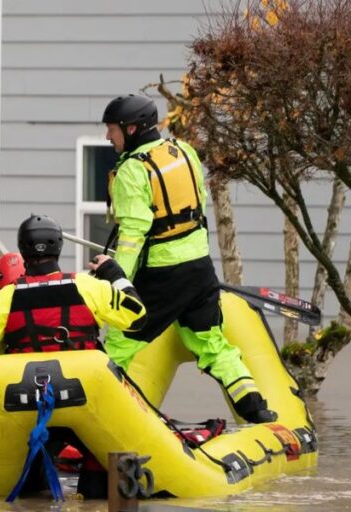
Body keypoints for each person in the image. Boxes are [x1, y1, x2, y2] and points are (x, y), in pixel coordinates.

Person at [100, 94, 277, 424]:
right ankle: (255, 407)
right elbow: (199, 203)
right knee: (211, 342)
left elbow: (133, 235)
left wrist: (116, 278)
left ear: (132, 129)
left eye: (112, 129)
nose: (108, 136)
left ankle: (91, 415)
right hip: (200, 268)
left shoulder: (131, 171)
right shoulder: (183, 151)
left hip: (162, 275)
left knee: (119, 341)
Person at [0, 215, 147, 364]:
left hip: (25, 385)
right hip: (85, 380)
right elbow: (137, 318)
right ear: (59, 246)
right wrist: (114, 273)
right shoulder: (87, 285)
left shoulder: (2, 298)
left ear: (22, 249)